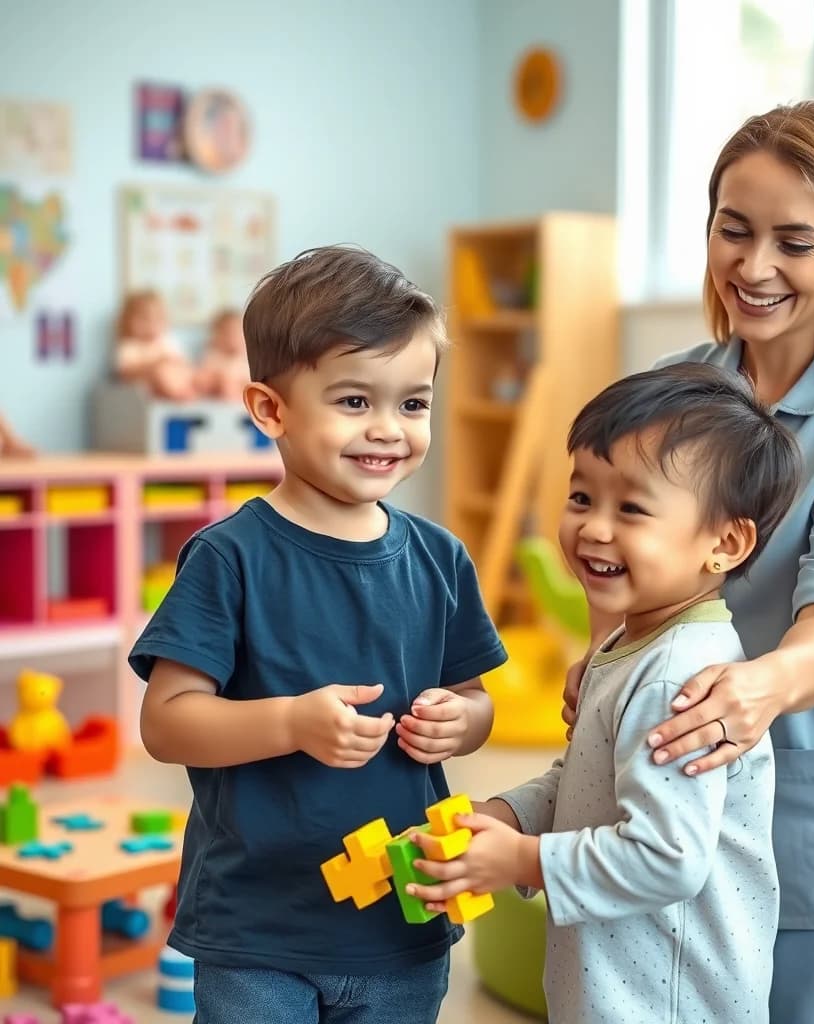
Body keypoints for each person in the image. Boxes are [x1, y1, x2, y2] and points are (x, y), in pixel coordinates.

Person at [564, 101, 814, 1024]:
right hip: (662, 806)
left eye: (794, 242)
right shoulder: (677, 390)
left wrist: (759, 688)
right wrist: (605, 650)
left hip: (812, 829)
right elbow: (621, 549)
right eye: (733, 231)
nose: (754, 266)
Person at [131, 245, 506, 1024]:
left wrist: (461, 720)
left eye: (413, 404)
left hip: (401, 919)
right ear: (271, 410)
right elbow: (166, 723)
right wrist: (291, 723)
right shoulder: (229, 557)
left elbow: (476, 702)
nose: (389, 430)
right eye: (354, 401)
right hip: (258, 927)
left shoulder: (441, 559)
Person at [405, 363, 802, 1024]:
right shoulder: (630, 644)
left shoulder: (677, 679)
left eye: (632, 509)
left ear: (725, 543)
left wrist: (521, 859)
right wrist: (506, 816)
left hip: (670, 1005)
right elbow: (587, 782)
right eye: (582, 497)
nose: (593, 528)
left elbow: (666, 858)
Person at [113, 289, 195, 400]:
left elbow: (183, 362)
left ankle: (194, 389)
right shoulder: (130, 346)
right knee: (161, 373)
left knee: (205, 372)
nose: (151, 325)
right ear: (127, 322)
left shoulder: (167, 341)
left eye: (157, 319)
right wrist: (154, 365)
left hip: (179, 376)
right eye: (143, 319)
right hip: (150, 385)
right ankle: (179, 393)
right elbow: (125, 373)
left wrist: (174, 363)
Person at [194, 308, 249, 400]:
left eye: (238, 333)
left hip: (241, 400)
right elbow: (201, 380)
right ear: (216, 337)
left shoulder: (246, 358)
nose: (233, 339)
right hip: (218, 400)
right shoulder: (213, 356)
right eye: (227, 334)